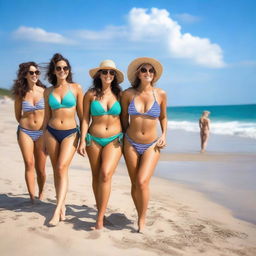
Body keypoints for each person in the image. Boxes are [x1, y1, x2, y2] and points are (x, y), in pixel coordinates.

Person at [121, 57, 167, 232]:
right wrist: (125, 138)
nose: (148, 73)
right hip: (130, 143)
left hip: (152, 144)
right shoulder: (128, 94)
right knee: (134, 183)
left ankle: (142, 219)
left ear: (154, 75)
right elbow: (124, 119)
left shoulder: (160, 94)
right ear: (138, 74)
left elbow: (163, 117)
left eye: (151, 71)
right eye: (144, 70)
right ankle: (139, 213)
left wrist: (164, 135)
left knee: (142, 182)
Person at [78, 60, 124, 229]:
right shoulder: (90, 94)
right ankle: (101, 213)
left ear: (115, 76)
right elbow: (84, 119)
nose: (108, 75)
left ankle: (99, 219)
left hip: (114, 139)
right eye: (105, 72)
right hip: (93, 139)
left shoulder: (120, 95)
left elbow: (125, 119)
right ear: (99, 74)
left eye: (111, 73)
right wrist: (82, 140)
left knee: (105, 174)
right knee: (96, 176)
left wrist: (127, 139)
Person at [43, 53, 83, 226]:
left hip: (70, 133)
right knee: (57, 171)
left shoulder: (76, 88)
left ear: (69, 70)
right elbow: (46, 117)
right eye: (58, 68)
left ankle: (57, 209)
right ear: (54, 70)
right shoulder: (48, 91)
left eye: (65, 68)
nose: (62, 70)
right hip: (51, 132)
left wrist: (83, 139)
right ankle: (63, 204)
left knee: (61, 167)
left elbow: (82, 116)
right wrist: (44, 138)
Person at [12, 62, 47, 203]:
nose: (34, 75)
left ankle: (41, 191)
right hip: (25, 131)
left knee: (41, 168)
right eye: (31, 73)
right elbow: (17, 115)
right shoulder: (20, 93)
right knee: (29, 163)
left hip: (42, 133)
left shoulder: (44, 92)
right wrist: (24, 125)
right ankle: (32, 197)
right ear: (25, 75)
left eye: (36, 72)